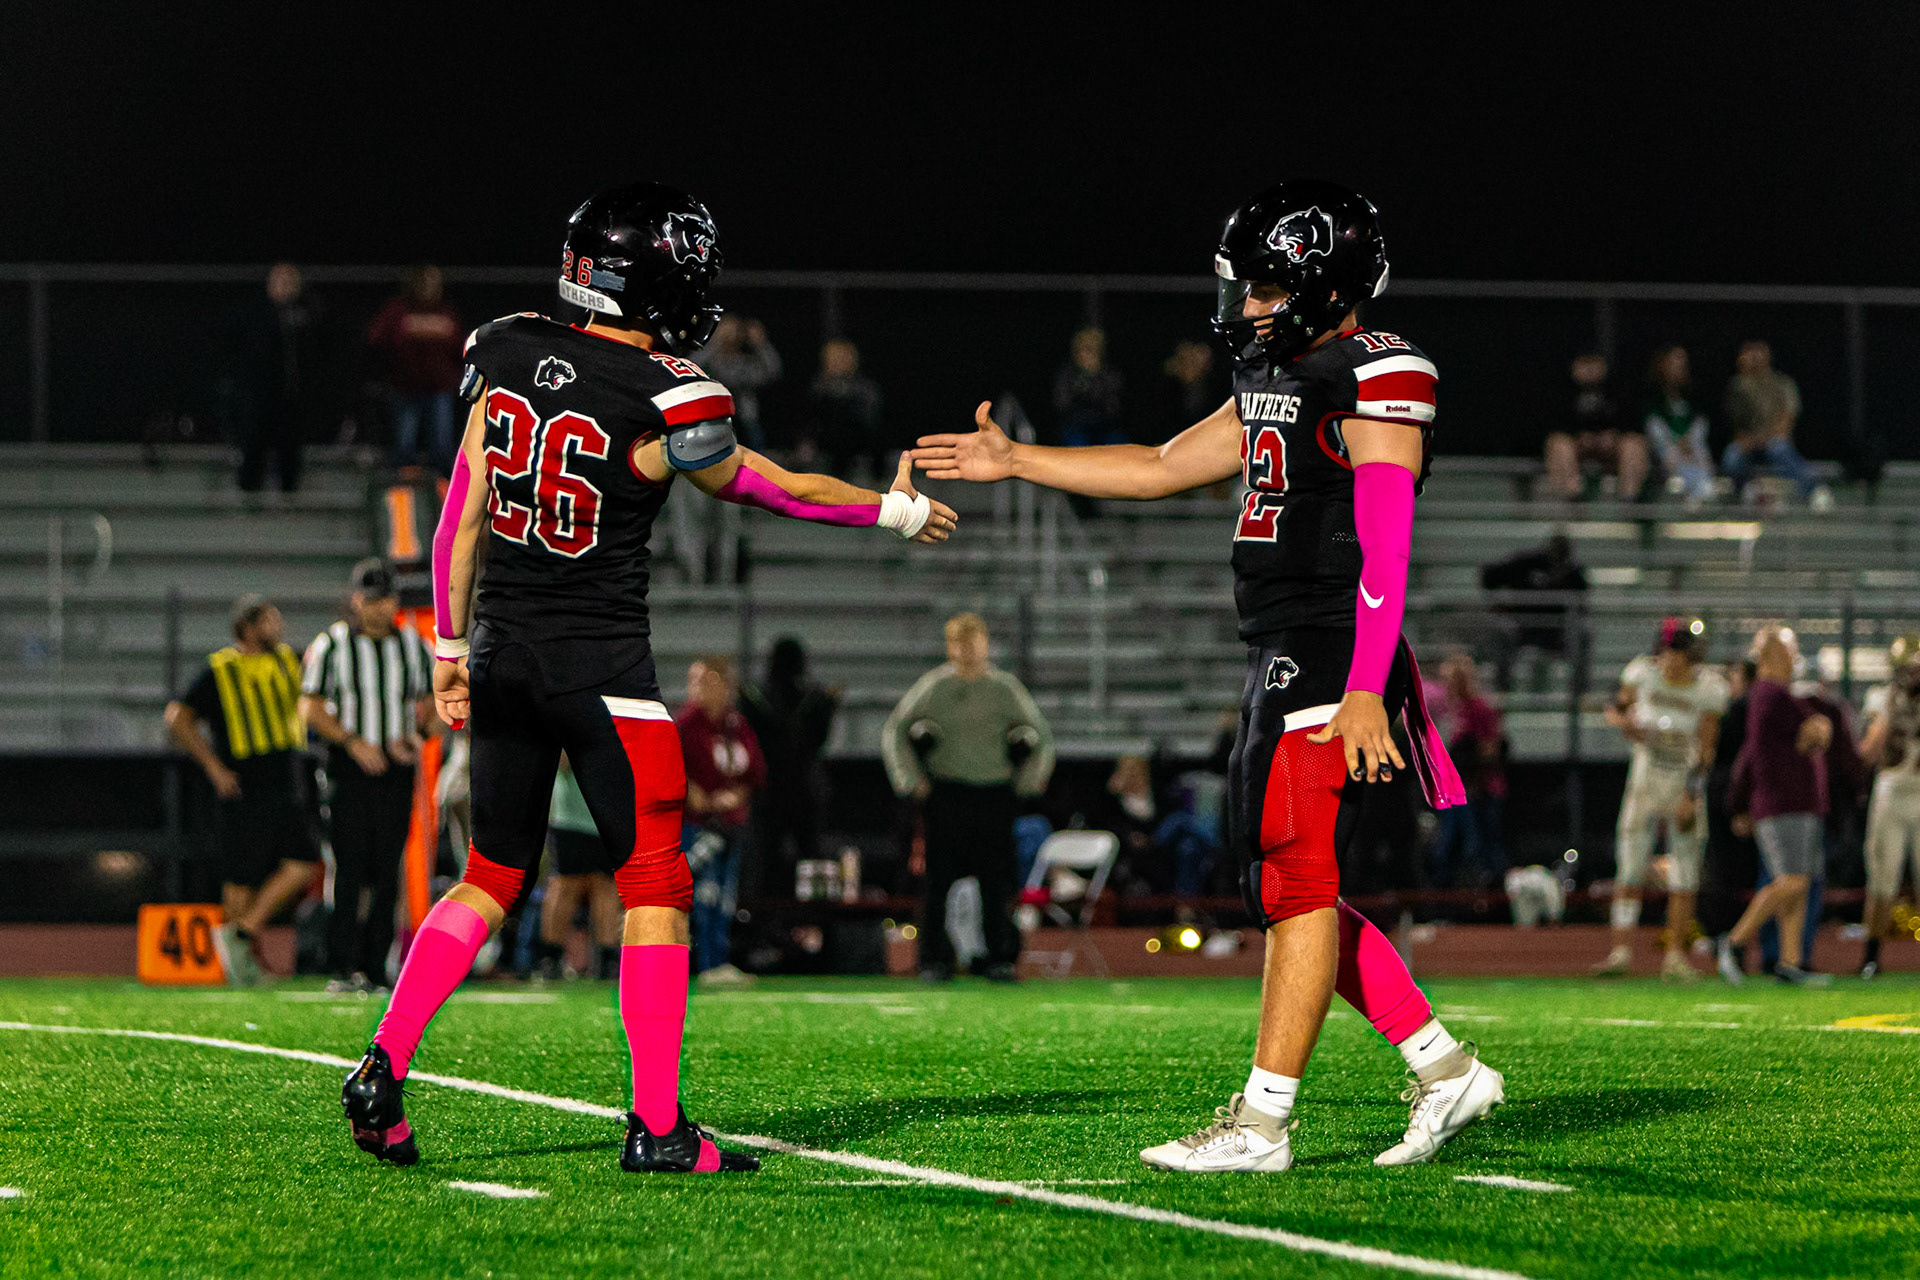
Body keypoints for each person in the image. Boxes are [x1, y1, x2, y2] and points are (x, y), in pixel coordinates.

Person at [341, 182, 955, 1175]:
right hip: (605, 671)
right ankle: (658, 1124)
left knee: (490, 874)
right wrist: (892, 509)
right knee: (658, 885)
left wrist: (449, 652)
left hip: (501, 654)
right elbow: (771, 487)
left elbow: (461, 516)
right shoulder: (670, 392)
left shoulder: (505, 349)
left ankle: (384, 1061)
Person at [915, 181, 1501, 1172]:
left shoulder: (1376, 370)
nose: (1250, 307)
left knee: (1297, 879)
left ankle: (1264, 1123)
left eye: (1269, 288)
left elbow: (1387, 545)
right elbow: (1158, 464)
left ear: (1326, 285)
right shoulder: (1282, 373)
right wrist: (1020, 462)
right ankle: (1443, 1068)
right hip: (1282, 643)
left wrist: (1366, 685)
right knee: (1280, 880)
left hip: (1332, 644)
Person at [881, 613, 1055, 983]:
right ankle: (934, 960)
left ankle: (999, 957)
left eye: (973, 642)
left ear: (986, 644)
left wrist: (1028, 781)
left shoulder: (1004, 688)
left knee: (997, 882)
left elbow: (1041, 735)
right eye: (960, 643)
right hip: (947, 792)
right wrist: (910, 780)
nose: (968, 650)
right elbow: (895, 730)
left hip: (993, 791)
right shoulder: (935, 686)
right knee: (937, 881)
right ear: (950, 647)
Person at [164, 595, 321, 984]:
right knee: (241, 876)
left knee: (302, 863)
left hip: (286, 777)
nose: (277, 628)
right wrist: (214, 767)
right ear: (247, 628)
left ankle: (240, 933)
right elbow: (178, 718)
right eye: (268, 621)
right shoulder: (221, 669)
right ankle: (239, 965)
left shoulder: (288, 661)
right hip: (244, 782)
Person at [299, 560, 435, 992]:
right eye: (372, 600)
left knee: (387, 868)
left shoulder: (414, 646)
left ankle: (377, 965)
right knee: (349, 866)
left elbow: (437, 701)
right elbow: (310, 707)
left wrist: (415, 737)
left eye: (386, 599)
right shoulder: (332, 645)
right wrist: (352, 742)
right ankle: (342, 963)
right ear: (357, 600)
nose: (379, 608)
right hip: (347, 769)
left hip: (395, 770)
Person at [1592, 618, 1726, 980]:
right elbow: (1617, 704)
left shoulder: (1708, 688)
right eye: (1669, 652)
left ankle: (1676, 956)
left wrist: (1692, 795)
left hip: (1682, 779)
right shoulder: (1642, 674)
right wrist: (1622, 722)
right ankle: (1621, 952)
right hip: (1645, 776)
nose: (1673, 661)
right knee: (1630, 864)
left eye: (1680, 653)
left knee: (1685, 870)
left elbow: (1707, 748)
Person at [1718, 627, 1833, 985]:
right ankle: (1734, 941)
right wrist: (1817, 729)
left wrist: (1816, 730)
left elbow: (1815, 733)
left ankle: (1790, 961)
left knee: (1799, 882)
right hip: (1783, 803)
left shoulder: (1772, 695)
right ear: (1771, 657)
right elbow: (1815, 731)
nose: (1793, 660)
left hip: (1794, 803)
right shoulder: (1771, 693)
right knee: (1791, 881)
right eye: (1786, 654)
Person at [676, 655, 765, 986]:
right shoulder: (684, 725)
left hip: (728, 826)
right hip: (694, 826)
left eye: (707, 680)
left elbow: (755, 771)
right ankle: (689, 963)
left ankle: (717, 961)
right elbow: (669, 767)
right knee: (698, 894)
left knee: (723, 897)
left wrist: (736, 795)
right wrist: (692, 790)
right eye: (694, 680)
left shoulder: (735, 725)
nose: (698, 688)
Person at [739, 637, 840, 897]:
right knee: (809, 856)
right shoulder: (814, 699)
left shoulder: (756, 697)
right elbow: (818, 740)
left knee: (766, 858)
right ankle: (813, 914)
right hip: (804, 788)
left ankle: (762, 914)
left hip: (769, 789)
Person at [1857, 634, 1920, 978]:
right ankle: (1871, 955)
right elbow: (1869, 750)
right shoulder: (1882, 698)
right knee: (1882, 880)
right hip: (1892, 792)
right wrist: (1888, 714)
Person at [237, 262, 327, 494]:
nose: (284, 287)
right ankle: (249, 491)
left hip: (293, 395)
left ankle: (289, 492)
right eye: (279, 281)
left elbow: (314, 352)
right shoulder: (258, 313)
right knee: (255, 444)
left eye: (289, 282)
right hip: (262, 396)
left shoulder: (305, 314)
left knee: (290, 447)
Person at [367, 265, 465, 474]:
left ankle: (443, 490)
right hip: (405, 389)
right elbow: (375, 339)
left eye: (434, 282)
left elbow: (461, 348)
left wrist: (454, 378)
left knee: (442, 448)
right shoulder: (397, 311)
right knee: (404, 448)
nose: (429, 287)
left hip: (439, 390)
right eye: (424, 282)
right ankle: (404, 491)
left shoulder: (446, 313)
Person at [1423, 652, 1507, 889]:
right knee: (1450, 848)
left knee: (1483, 847)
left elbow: (1490, 750)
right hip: (1456, 791)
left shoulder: (1480, 709)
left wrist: (1474, 781)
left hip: (1479, 790)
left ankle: (1493, 896)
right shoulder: (1455, 711)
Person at [538, 756, 623, 980]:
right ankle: (550, 959)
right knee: (566, 886)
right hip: (571, 818)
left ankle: (608, 963)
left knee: (606, 887)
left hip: (610, 817)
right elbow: (561, 759)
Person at [1721, 340, 1830, 508]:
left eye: (1759, 355)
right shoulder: (1737, 387)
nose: (1755, 359)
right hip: (1749, 443)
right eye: (1751, 355)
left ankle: (1814, 491)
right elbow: (1737, 426)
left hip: (1773, 441)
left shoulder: (1784, 384)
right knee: (1731, 456)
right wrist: (1751, 441)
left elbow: (1787, 422)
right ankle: (1741, 497)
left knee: (1780, 449)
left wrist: (1765, 438)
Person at [1479, 532, 1589, 690]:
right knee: (1503, 629)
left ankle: (1578, 693)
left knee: (1583, 632)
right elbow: (1488, 575)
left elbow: (1584, 604)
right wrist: (1496, 602)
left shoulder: (1573, 571)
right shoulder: (1525, 562)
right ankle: (1503, 691)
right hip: (1522, 629)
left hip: (1557, 634)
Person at [1543, 351, 1648, 501]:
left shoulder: (1618, 389)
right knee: (1558, 443)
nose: (1590, 369)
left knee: (1634, 443)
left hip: (1611, 447)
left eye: (1594, 363)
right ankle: (1572, 500)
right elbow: (1555, 425)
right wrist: (1579, 437)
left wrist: (1612, 435)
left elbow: (1629, 422)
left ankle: (1629, 500)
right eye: (1584, 364)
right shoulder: (1562, 392)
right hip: (1576, 447)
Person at [1642, 345, 1716, 505]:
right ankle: (1694, 498)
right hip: (1663, 455)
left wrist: (1689, 442)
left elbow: (1700, 428)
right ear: (1662, 367)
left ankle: (1703, 496)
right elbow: (1654, 431)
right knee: (1670, 454)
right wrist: (1676, 443)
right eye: (1674, 364)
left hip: (1691, 451)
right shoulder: (1652, 401)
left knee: (1700, 453)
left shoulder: (1694, 401)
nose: (1679, 370)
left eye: (1683, 365)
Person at [696, 314, 782, 450]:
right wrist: (715, 343)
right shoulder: (710, 362)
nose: (730, 336)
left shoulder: (746, 362)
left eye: (734, 331)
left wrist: (761, 345)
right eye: (725, 331)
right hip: (713, 421)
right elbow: (691, 367)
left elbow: (772, 373)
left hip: (745, 421)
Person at [800, 339, 884, 475]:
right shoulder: (816, 388)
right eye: (833, 357)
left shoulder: (866, 388)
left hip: (857, 439)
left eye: (843, 357)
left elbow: (870, 420)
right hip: (824, 441)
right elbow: (809, 421)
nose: (838, 362)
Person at [1053, 327, 1125, 448]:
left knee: (1120, 446)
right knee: (1077, 444)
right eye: (1082, 349)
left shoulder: (1110, 374)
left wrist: (1095, 379)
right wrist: (1081, 387)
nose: (1085, 354)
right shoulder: (1066, 375)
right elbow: (1061, 404)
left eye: (1090, 349)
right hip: (1076, 428)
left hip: (1106, 427)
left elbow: (1114, 407)